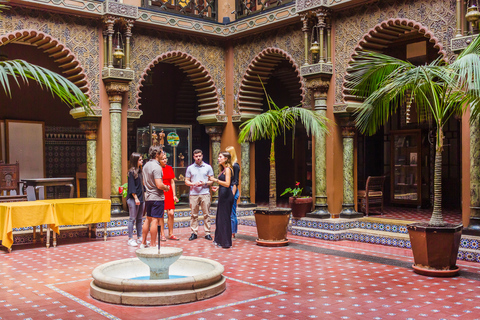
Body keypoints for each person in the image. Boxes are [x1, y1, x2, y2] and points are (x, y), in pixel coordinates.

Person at [140, 145, 170, 248]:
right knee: (155, 220)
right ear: (157, 154)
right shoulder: (157, 167)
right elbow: (159, 184)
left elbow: (144, 182)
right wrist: (166, 187)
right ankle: (153, 244)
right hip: (157, 197)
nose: (163, 154)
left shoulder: (146, 165)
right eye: (161, 153)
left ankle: (143, 243)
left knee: (148, 219)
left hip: (148, 196)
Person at [185, 149, 214, 241]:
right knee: (194, 215)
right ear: (193, 157)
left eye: (199, 156)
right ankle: (194, 232)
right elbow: (186, 180)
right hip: (194, 194)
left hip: (205, 193)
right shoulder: (190, 168)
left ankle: (207, 233)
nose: (198, 158)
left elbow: (212, 180)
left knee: (206, 214)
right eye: (196, 156)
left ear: (202, 156)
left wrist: (204, 183)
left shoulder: (208, 167)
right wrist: (193, 184)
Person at [209, 151, 233, 249]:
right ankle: (220, 240)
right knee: (220, 218)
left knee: (224, 219)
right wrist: (218, 187)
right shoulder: (223, 169)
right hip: (223, 195)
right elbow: (224, 184)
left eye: (220, 157)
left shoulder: (228, 169)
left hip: (227, 196)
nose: (218, 158)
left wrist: (215, 180)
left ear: (226, 159)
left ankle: (226, 242)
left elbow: (227, 184)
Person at [159, 153, 180, 240]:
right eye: (162, 159)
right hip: (161, 191)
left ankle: (171, 233)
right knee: (161, 214)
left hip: (169, 191)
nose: (165, 160)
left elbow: (172, 182)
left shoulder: (169, 168)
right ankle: (162, 234)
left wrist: (174, 195)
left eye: (165, 158)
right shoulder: (157, 169)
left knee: (171, 213)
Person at [126, 152, 145, 247]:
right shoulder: (131, 172)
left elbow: (142, 186)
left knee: (140, 219)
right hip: (133, 199)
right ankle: (130, 238)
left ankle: (140, 237)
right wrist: (136, 198)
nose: (142, 161)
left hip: (141, 198)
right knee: (132, 218)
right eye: (140, 160)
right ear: (135, 161)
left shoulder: (140, 171)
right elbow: (132, 187)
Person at [225, 146, 240, 239]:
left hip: (232, 189)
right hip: (228, 189)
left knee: (232, 213)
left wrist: (233, 193)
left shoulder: (235, 165)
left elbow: (235, 181)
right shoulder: (229, 166)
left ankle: (233, 232)